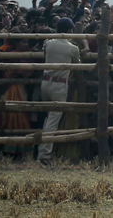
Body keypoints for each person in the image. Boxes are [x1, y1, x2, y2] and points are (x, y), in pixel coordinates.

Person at [37, 17, 80, 165]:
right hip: (59, 84)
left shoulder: (48, 43)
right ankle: (44, 154)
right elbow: (78, 63)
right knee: (53, 119)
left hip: (45, 82)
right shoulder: (72, 48)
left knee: (48, 117)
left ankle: (43, 150)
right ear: (70, 31)